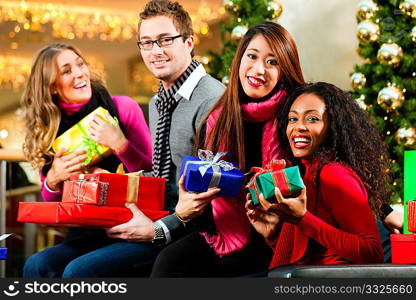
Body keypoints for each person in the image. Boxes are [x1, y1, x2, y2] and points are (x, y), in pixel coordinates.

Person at [26, 0, 225, 278]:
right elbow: (160, 177)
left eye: (165, 40)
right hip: (145, 217)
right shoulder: (159, 101)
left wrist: (155, 228)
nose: (155, 51)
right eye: (146, 42)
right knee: (37, 265)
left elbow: (213, 193)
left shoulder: (213, 99)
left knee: (78, 271)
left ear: (189, 42)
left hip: (184, 228)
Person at [150, 21, 305, 277]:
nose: (258, 69)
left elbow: (330, 172)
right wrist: (188, 208)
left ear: (285, 70)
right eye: (252, 56)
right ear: (239, 59)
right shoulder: (219, 118)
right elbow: (207, 198)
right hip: (224, 234)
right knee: (168, 264)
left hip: (279, 237)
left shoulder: (296, 116)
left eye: (272, 62)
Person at [22, 43, 152, 277]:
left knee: (77, 271)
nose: (80, 73)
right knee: (35, 265)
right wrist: (53, 180)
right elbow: (51, 205)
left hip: (131, 225)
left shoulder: (123, 108)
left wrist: (120, 145)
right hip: (86, 231)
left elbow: (153, 175)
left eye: (80, 64)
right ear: (52, 87)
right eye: (67, 70)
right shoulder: (49, 128)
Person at [246, 82, 386, 269]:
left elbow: (372, 252)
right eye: (293, 119)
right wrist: (272, 234)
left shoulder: (333, 174)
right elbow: (312, 250)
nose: (298, 127)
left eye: (312, 119)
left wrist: (302, 219)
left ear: (333, 127)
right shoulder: (309, 172)